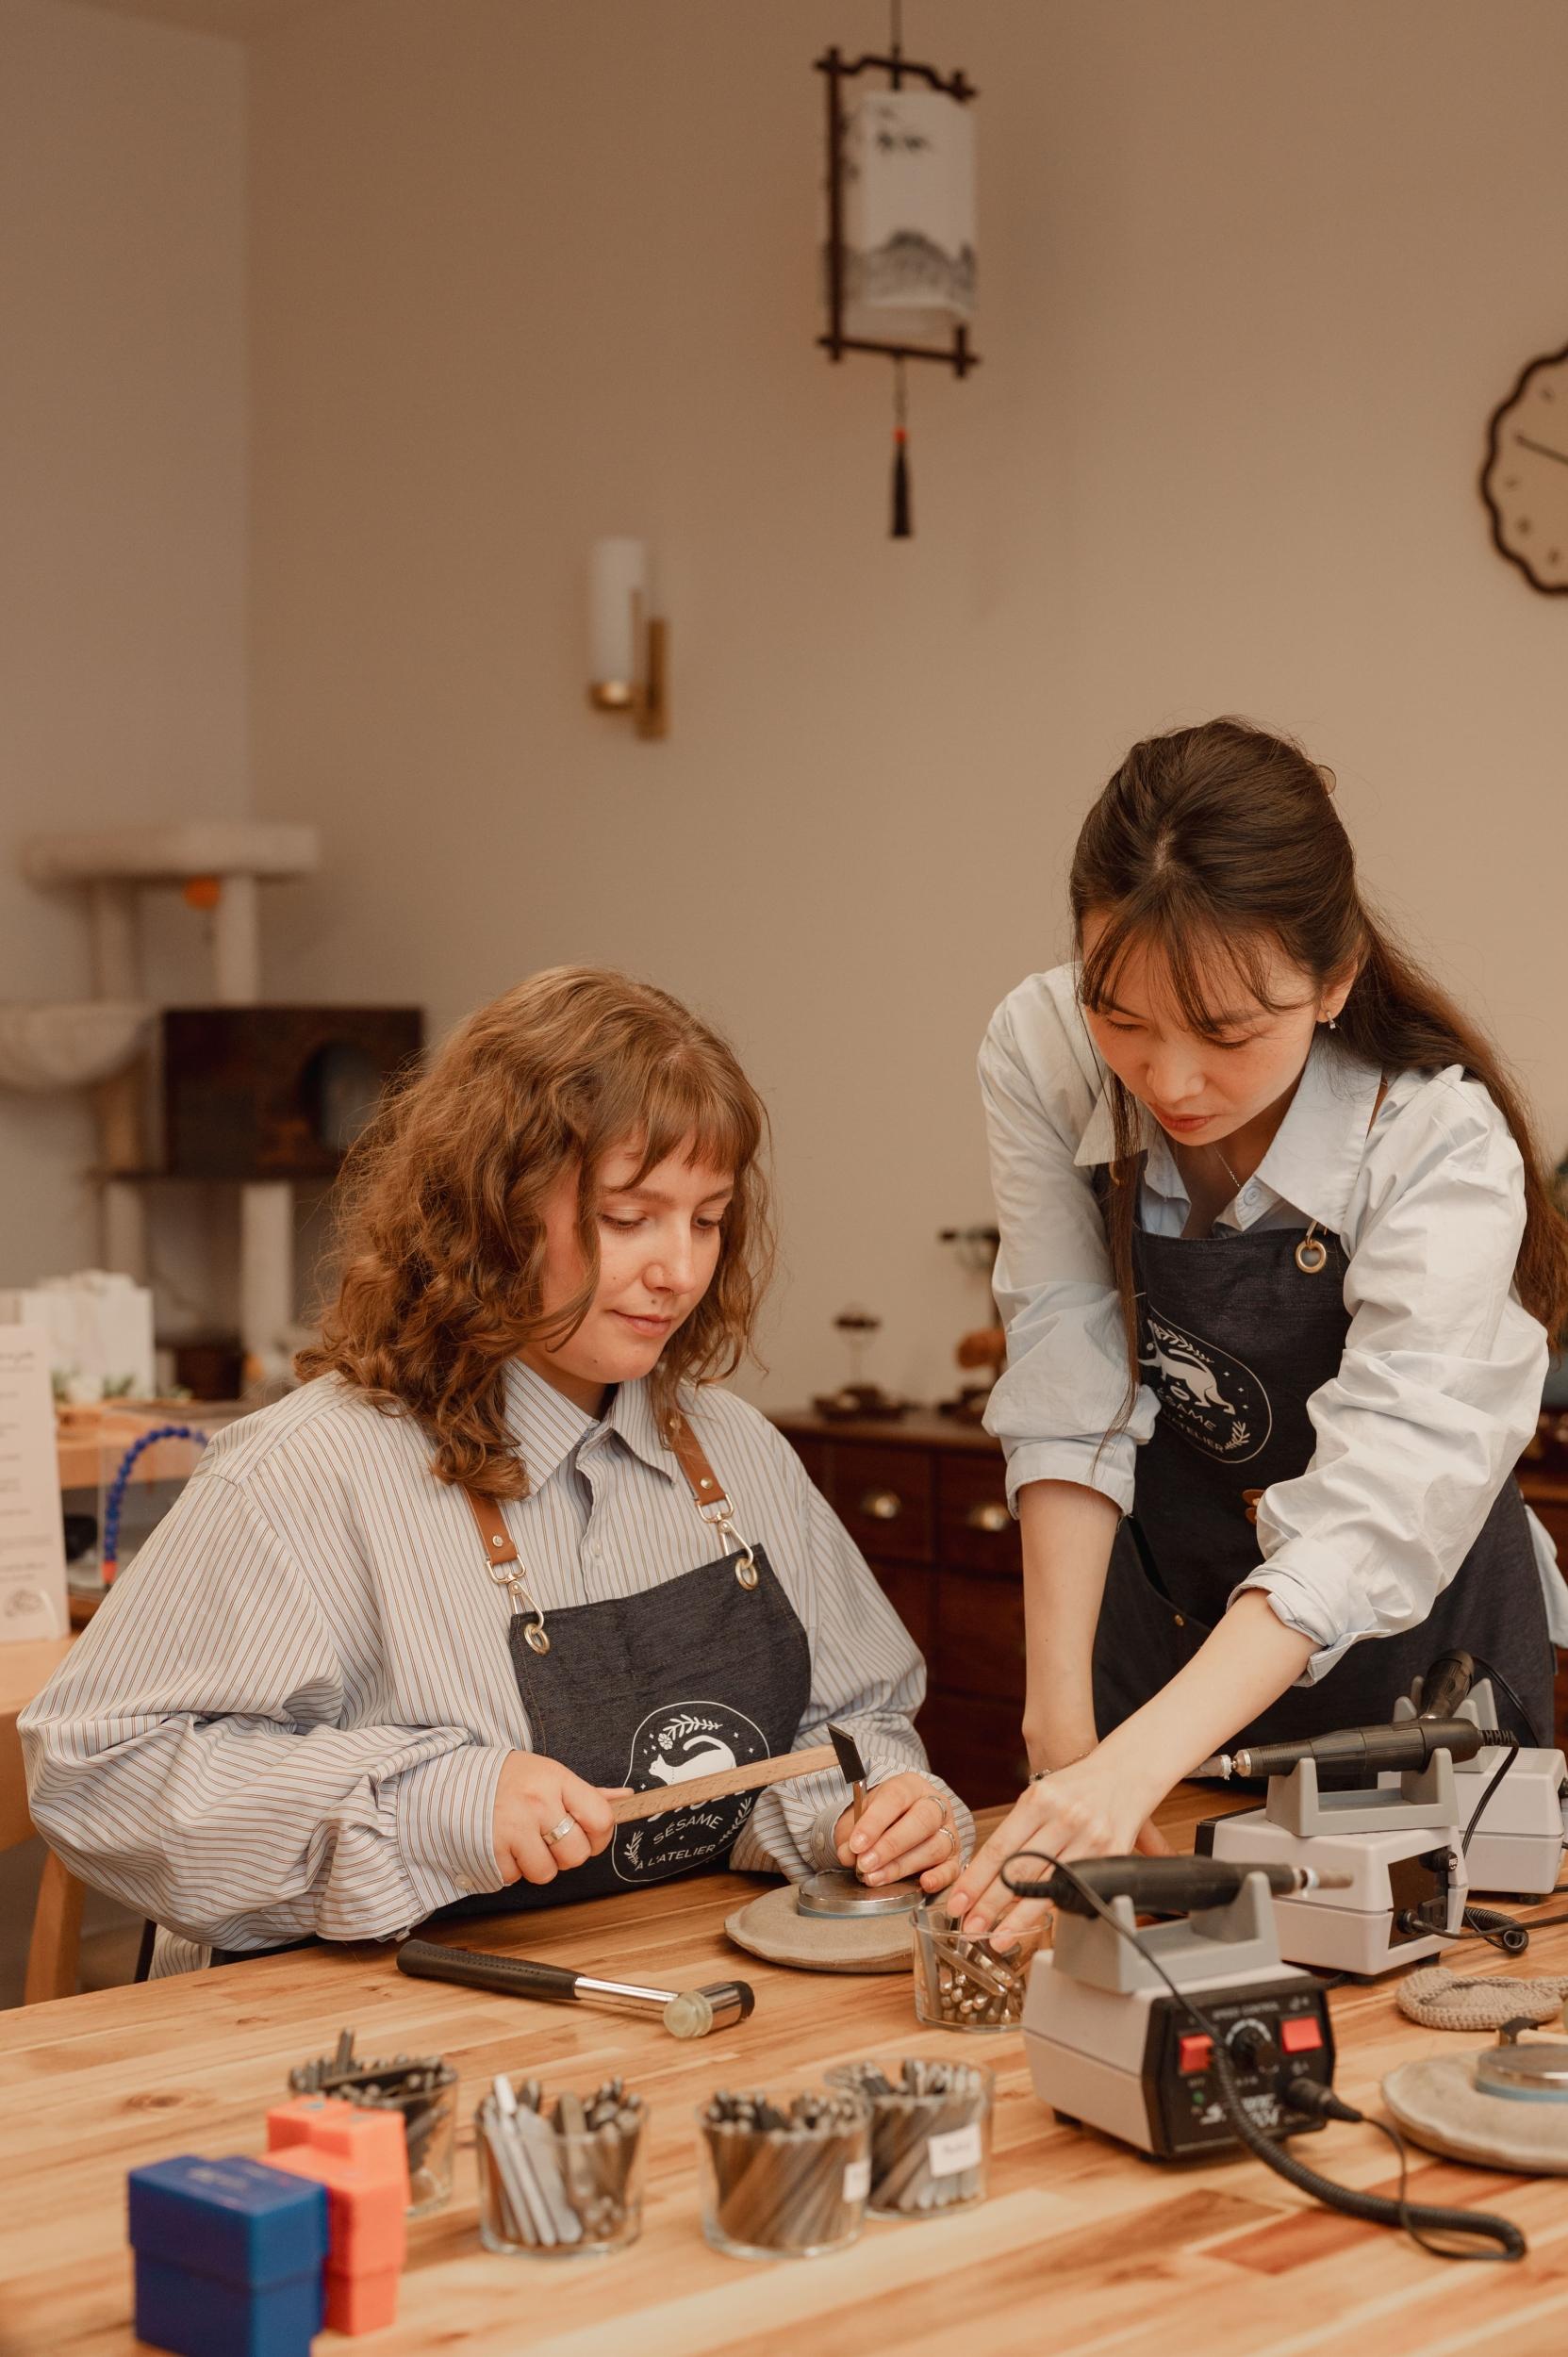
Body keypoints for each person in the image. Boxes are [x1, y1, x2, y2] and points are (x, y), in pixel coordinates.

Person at [24, 968, 971, 1973]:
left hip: (664, 1996)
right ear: (495, 1210)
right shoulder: (306, 1474)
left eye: (706, 1218)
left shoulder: (738, 1453)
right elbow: (93, 1772)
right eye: (628, 1217)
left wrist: (866, 1813)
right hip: (360, 2038)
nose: (681, 1271)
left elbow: (852, 1725)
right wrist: (438, 1802)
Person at [949, 718, 1568, 1946]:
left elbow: (1371, 1505)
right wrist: (1063, 1731)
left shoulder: (1432, 1144)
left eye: (1224, 1032)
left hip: (1410, 1650)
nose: (1167, 1081)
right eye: (1120, 1018)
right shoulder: (1040, 1049)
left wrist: (1135, 1765)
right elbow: (1067, 1363)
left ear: (1330, 981)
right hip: (1166, 1621)